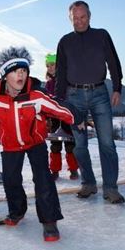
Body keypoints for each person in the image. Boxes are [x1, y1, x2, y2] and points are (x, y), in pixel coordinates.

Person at [0, 46, 84, 242]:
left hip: (35, 142)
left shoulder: (36, 96)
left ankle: (49, 220)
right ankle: (16, 212)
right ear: (4, 76)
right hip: (10, 145)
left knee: (43, 179)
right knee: (11, 180)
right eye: (15, 71)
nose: (21, 74)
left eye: (24, 70)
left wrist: (75, 117)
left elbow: (58, 107)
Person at [55, 0, 125, 204]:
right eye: (75, 18)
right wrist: (61, 103)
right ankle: (88, 183)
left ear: (90, 16)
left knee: (107, 144)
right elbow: (60, 73)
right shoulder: (65, 42)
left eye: (82, 17)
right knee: (79, 146)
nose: (79, 21)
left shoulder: (101, 35)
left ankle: (111, 188)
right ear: (70, 19)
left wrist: (118, 88)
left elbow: (113, 62)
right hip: (74, 97)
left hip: (100, 94)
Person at [44, 53, 79, 181]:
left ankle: (74, 169)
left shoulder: (66, 80)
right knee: (55, 145)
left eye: (52, 64)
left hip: (66, 116)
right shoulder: (48, 84)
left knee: (70, 145)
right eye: (47, 66)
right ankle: (54, 170)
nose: (49, 67)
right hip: (54, 117)